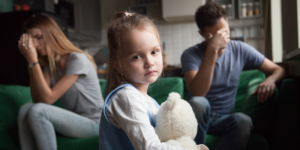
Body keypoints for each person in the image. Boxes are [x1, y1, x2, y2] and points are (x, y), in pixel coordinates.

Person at [181, 2, 285, 150]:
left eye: (225, 32)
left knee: (243, 120)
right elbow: (199, 92)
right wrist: (212, 50)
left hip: (223, 119)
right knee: (198, 102)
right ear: (203, 34)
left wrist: (270, 79)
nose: (222, 38)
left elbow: (278, 69)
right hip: (197, 118)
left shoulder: (239, 49)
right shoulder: (190, 54)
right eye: (216, 35)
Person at [99, 12, 207, 150]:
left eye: (154, 52)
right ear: (117, 64)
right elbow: (150, 147)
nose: (149, 62)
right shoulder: (126, 97)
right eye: (137, 56)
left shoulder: (150, 102)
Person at [17, 15, 104, 150]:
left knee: (38, 111)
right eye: (31, 40)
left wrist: (33, 60)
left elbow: (48, 98)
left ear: (52, 35)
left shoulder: (77, 59)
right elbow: (38, 99)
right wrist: (31, 62)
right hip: (75, 121)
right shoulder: (49, 66)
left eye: (38, 37)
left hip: (96, 124)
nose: (35, 44)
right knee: (25, 109)